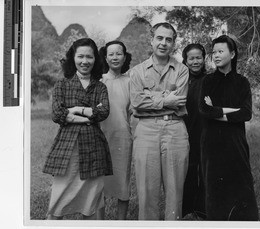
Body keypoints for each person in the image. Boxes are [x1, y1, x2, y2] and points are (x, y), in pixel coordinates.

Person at [43, 38, 112, 220]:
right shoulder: (62, 84)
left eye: (89, 57)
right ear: (72, 58)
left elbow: (103, 111)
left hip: (94, 148)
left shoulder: (100, 87)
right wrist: (87, 117)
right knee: (59, 200)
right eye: (80, 56)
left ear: (95, 60)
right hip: (68, 147)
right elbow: (57, 115)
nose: (84, 61)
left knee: (91, 203)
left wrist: (74, 110)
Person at [130, 22, 190, 220]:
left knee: (175, 190)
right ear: (152, 40)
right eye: (159, 38)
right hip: (146, 130)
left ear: (173, 43)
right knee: (147, 189)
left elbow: (179, 101)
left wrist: (151, 97)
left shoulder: (182, 70)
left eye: (169, 39)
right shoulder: (137, 71)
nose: (163, 43)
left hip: (175, 129)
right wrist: (166, 98)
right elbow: (137, 102)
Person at [198, 35, 259, 220]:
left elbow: (246, 114)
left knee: (240, 185)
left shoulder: (242, 82)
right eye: (213, 52)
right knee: (215, 187)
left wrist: (216, 111)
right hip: (211, 142)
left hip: (235, 141)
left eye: (220, 51)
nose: (215, 56)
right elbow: (204, 110)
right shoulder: (207, 81)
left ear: (232, 54)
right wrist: (232, 111)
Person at [98, 40, 133, 220]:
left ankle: (121, 221)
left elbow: (133, 111)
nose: (115, 57)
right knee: (99, 183)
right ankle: (100, 222)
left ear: (125, 57)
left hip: (123, 137)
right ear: (105, 57)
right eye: (111, 54)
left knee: (122, 180)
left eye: (119, 53)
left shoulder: (130, 81)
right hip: (100, 137)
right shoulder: (99, 81)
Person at [181, 44, 207, 219]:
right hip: (186, 132)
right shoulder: (181, 80)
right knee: (188, 171)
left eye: (199, 57)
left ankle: (203, 209)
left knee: (205, 171)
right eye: (192, 58)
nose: (195, 61)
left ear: (204, 59)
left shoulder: (211, 79)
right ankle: (187, 210)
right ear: (185, 60)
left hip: (207, 133)